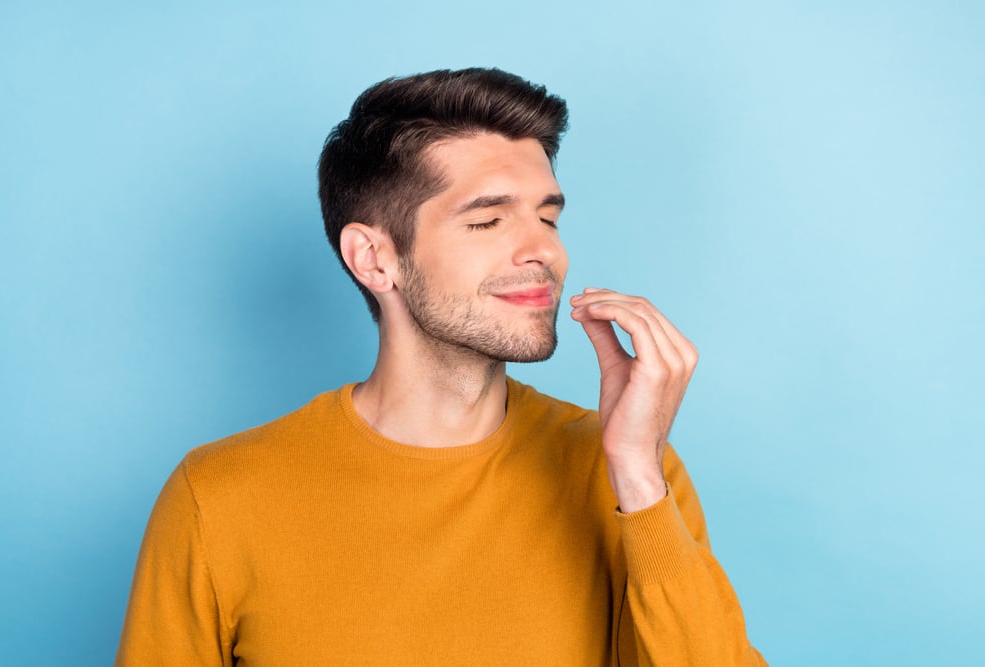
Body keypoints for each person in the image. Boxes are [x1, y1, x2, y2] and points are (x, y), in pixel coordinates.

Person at [116, 67, 767, 666]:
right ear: (374, 259)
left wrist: (638, 475)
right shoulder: (217, 499)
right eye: (487, 221)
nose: (544, 250)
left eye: (548, 217)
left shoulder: (631, 476)